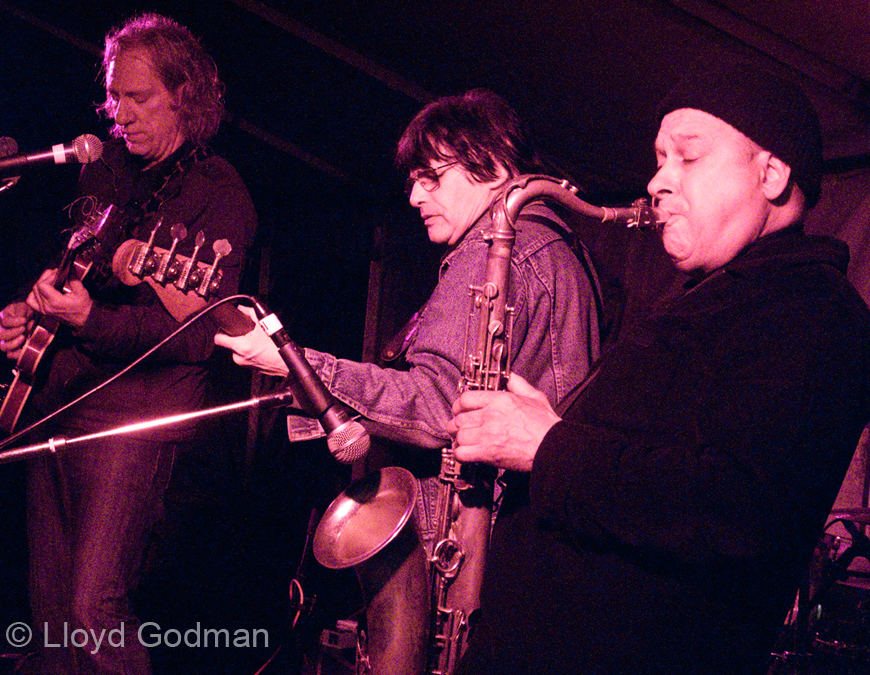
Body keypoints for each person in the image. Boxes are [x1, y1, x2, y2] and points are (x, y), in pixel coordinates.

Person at [446, 63, 870, 675]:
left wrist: (546, 444)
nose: (657, 180)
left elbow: (738, 509)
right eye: (658, 158)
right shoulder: (712, 296)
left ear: (772, 174)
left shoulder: (815, 314)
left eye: (689, 158)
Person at [214, 89, 600, 669]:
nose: (415, 195)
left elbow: (438, 403)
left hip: (465, 551)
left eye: (431, 178)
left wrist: (293, 364)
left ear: (491, 164)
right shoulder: (559, 248)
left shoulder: (495, 255)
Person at [0, 14, 256, 674]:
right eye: (114, 97)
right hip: (58, 398)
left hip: (135, 421)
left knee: (93, 607)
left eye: (138, 99)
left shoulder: (216, 192)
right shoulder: (105, 169)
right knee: (50, 614)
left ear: (184, 95)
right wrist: (33, 313)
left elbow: (198, 337)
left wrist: (90, 321)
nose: (121, 115)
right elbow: (72, 266)